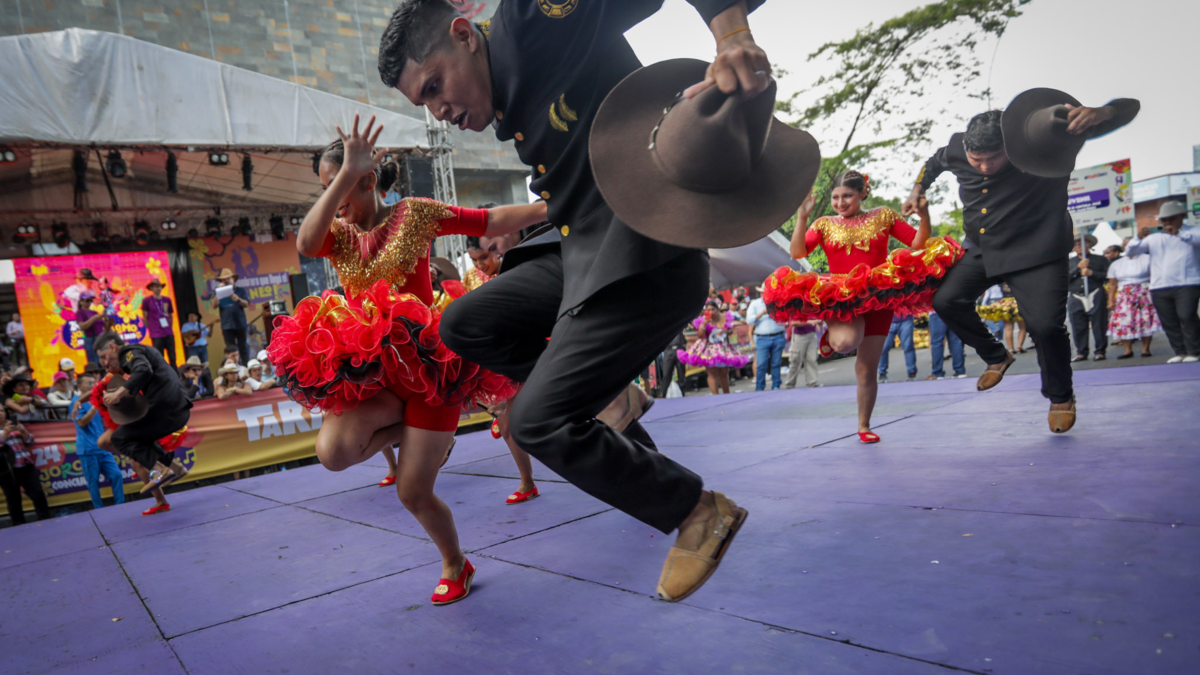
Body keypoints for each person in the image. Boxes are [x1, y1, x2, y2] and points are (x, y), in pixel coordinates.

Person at [388, 0, 777, 603]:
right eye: (425, 103)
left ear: (464, 34)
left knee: (536, 420)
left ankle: (698, 512)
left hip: (644, 252)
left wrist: (733, 36)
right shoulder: (502, 92)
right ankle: (611, 399)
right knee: (464, 322)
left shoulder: (536, 17)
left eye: (435, 86)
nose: (440, 111)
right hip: (578, 252)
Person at [270, 121, 543, 606]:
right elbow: (306, 244)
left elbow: (489, 219)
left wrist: (554, 206)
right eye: (326, 189)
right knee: (332, 454)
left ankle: (455, 562)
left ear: (370, 182)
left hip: (433, 373)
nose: (336, 203)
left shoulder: (415, 215)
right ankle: (411, 435)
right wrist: (342, 178)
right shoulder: (338, 236)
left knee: (412, 493)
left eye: (342, 189)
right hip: (378, 377)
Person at [909, 97, 1140, 433]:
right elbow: (933, 162)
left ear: (1011, 145)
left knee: (1045, 326)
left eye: (993, 158)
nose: (985, 166)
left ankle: (1060, 395)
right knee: (946, 301)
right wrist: (918, 187)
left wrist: (1104, 112)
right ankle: (996, 356)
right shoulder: (958, 146)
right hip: (983, 248)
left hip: (1038, 251)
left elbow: (1129, 107)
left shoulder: (1040, 142)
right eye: (977, 160)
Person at [768, 171, 952, 443]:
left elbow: (919, 244)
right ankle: (833, 336)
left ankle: (864, 426)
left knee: (867, 368)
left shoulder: (884, 216)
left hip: (878, 296)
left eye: (848, 196)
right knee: (845, 343)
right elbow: (797, 252)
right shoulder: (823, 223)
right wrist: (803, 216)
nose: (841, 202)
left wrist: (924, 217)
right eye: (835, 197)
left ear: (863, 193)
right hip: (842, 298)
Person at [92, 331, 191, 494]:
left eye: (104, 356)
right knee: (138, 437)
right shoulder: (141, 351)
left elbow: (143, 370)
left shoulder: (128, 352)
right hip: (177, 410)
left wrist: (117, 394)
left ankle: (160, 469)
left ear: (112, 347)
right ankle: (175, 468)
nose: (104, 362)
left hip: (167, 411)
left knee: (119, 437)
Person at [1125, 201, 1200, 363]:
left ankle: (1194, 351)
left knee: (1187, 316)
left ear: (1182, 216)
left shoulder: (1193, 231)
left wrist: (1178, 233)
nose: (1167, 223)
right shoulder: (1154, 237)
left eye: (1171, 219)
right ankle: (1180, 352)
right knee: (1169, 320)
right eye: (1163, 220)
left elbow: (1197, 240)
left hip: (1187, 283)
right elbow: (1130, 252)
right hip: (1159, 285)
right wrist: (1137, 237)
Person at [71, 373, 126, 509]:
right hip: (88, 449)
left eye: (93, 383)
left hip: (103, 447)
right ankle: (98, 509)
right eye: (88, 383)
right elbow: (82, 423)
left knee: (116, 475)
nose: (92, 386)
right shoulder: (75, 402)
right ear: (80, 386)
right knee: (93, 482)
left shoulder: (97, 398)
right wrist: (94, 407)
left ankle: (121, 505)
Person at [678, 303, 751, 395]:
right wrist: (704, 324)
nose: (711, 312)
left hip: (724, 347)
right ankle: (715, 396)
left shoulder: (725, 317)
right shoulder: (703, 320)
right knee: (712, 373)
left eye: (713, 309)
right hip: (709, 348)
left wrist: (728, 331)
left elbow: (730, 330)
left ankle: (726, 394)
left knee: (724, 372)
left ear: (718, 309)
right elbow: (700, 335)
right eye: (708, 310)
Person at [1104, 244, 1160, 359]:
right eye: (1126, 245)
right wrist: (1110, 300)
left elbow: (1155, 277)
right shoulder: (1117, 264)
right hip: (1124, 294)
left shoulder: (1147, 258)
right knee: (1124, 321)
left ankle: (1146, 349)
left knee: (1145, 320)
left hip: (1143, 292)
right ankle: (1128, 350)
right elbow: (1113, 284)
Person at [0, 408, 49, 525]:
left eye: (2, 411)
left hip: (25, 464)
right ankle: (18, 525)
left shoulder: (13, 424)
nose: (1, 413)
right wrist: (5, 433)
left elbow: (30, 441)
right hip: (7, 469)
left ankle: (46, 520)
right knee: (13, 499)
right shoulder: (7, 429)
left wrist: (23, 431)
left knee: (38, 493)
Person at [1068, 234, 1110, 362]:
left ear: (1089, 245)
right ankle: (1081, 352)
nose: (1079, 246)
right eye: (1076, 245)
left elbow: (1108, 276)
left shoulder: (1100, 259)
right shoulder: (1069, 262)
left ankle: (1100, 351)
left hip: (1095, 292)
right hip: (1076, 296)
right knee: (1078, 325)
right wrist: (1078, 269)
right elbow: (1063, 279)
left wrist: (1092, 273)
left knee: (1099, 324)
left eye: (1082, 244)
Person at [747, 288, 786, 391]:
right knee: (761, 364)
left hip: (778, 335)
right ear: (761, 293)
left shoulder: (778, 302)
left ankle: (776, 385)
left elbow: (786, 316)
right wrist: (762, 313)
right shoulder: (755, 304)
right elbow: (749, 320)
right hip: (762, 337)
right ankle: (760, 387)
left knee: (776, 363)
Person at [217, 268, 251, 365]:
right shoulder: (219, 292)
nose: (226, 281)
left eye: (228, 278)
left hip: (240, 323)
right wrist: (218, 292)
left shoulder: (240, 290)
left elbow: (246, 304)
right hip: (227, 324)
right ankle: (232, 367)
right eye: (223, 280)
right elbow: (214, 305)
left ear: (233, 279)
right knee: (230, 349)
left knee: (243, 347)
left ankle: (245, 367)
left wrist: (237, 299)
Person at [143, 279, 177, 365]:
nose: (158, 288)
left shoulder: (167, 300)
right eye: (155, 286)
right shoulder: (147, 301)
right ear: (151, 288)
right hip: (156, 334)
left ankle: (175, 375)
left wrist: (170, 327)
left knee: (172, 357)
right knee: (159, 357)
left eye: (159, 286)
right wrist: (150, 329)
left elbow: (170, 315)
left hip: (168, 333)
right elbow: (145, 317)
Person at [927, 310, 967, 379]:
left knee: (937, 343)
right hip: (954, 311)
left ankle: (937, 372)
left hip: (937, 312)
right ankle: (960, 371)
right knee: (956, 342)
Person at [783, 319, 822, 389]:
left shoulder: (813, 308)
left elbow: (820, 323)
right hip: (799, 335)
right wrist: (810, 322)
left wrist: (819, 321)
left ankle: (812, 383)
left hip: (812, 334)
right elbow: (794, 322)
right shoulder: (798, 308)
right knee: (795, 360)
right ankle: (789, 384)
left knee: (812, 359)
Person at [878, 315, 918, 382]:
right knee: (883, 347)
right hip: (887, 319)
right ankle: (882, 373)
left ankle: (912, 371)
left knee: (908, 346)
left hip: (905, 318)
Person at [75, 291, 107, 365]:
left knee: (104, 363)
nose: (89, 302)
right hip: (91, 340)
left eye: (90, 300)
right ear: (81, 301)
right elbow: (82, 326)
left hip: (101, 340)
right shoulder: (80, 312)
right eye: (87, 300)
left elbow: (103, 326)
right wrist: (94, 318)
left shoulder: (94, 312)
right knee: (94, 363)